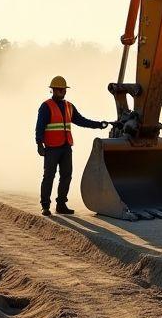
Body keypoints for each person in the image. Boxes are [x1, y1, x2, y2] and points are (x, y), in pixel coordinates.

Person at [35, 76, 109, 216]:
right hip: (51, 147)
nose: (62, 92)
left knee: (66, 176)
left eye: (63, 89)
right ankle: (45, 206)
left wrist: (99, 125)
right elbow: (39, 127)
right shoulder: (46, 106)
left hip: (66, 147)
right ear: (52, 90)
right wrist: (39, 144)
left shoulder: (69, 106)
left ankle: (61, 205)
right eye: (59, 89)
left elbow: (81, 121)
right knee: (49, 176)